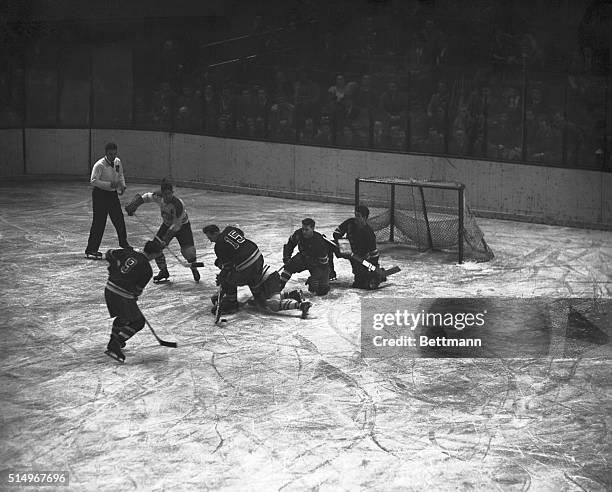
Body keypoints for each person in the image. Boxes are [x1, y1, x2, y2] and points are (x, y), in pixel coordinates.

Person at [203, 224, 311, 318]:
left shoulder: (219, 246)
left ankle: (232, 303)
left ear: (215, 233)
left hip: (252, 269)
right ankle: (292, 296)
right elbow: (240, 235)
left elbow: (227, 268)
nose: (210, 240)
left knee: (228, 279)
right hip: (258, 258)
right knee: (260, 301)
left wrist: (222, 279)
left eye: (210, 237)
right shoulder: (230, 229)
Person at [125, 178, 200, 283]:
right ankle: (163, 271)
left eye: (170, 194)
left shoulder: (178, 205)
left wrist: (166, 239)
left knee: (189, 252)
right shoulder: (158, 196)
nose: (168, 196)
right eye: (166, 194)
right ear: (162, 193)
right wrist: (134, 205)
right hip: (167, 224)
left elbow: (176, 225)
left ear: (172, 193)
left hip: (182, 226)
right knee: (156, 248)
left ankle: (194, 268)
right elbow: (146, 197)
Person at [104, 240, 164, 363]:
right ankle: (116, 343)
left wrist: (113, 270)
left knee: (123, 317)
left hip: (109, 289)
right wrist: (133, 299)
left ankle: (112, 340)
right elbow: (137, 291)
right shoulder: (147, 270)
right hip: (122, 295)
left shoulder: (128, 252)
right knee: (138, 321)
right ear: (154, 254)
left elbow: (109, 254)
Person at [85, 142, 131, 259]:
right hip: (100, 195)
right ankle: (91, 249)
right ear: (106, 153)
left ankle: (123, 243)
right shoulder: (99, 165)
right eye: (110, 154)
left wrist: (122, 185)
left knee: (119, 219)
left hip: (112, 194)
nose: (113, 156)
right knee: (99, 222)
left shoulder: (117, 162)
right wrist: (110, 184)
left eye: (114, 154)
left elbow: (120, 175)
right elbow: (94, 181)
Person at [328, 205, 380, 289]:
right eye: (355, 215)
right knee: (327, 244)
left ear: (365, 218)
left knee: (359, 284)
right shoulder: (350, 222)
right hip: (345, 249)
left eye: (358, 216)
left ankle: (375, 277)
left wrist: (374, 267)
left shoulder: (369, 233)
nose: (356, 218)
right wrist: (343, 243)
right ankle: (329, 272)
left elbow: (374, 253)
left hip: (358, 257)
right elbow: (337, 232)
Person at [280, 218, 330, 296]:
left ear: (312, 229)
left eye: (306, 230)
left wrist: (314, 278)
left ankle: (315, 283)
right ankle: (278, 286)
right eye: (303, 229)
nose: (304, 232)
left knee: (321, 290)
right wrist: (287, 258)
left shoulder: (319, 241)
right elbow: (289, 245)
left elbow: (323, 265)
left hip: (317, 263)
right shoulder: (298, 234)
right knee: (289, 266)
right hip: (303, 258)